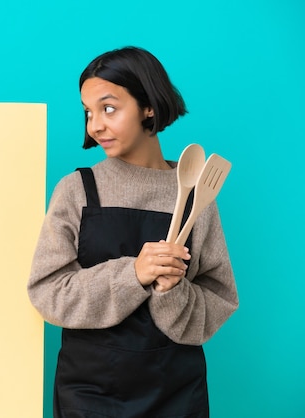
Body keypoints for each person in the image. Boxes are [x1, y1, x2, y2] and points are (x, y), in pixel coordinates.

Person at [27, 46, 239, 418]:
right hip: (89, 394)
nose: (95, 125)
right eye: (88, 112)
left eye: (109, 108)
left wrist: (172, 291)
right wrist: (133, 274)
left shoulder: (195, 196)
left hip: (175, 391)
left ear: (149, 107)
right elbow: (47, 292)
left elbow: (218, 300)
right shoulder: (76, 190)